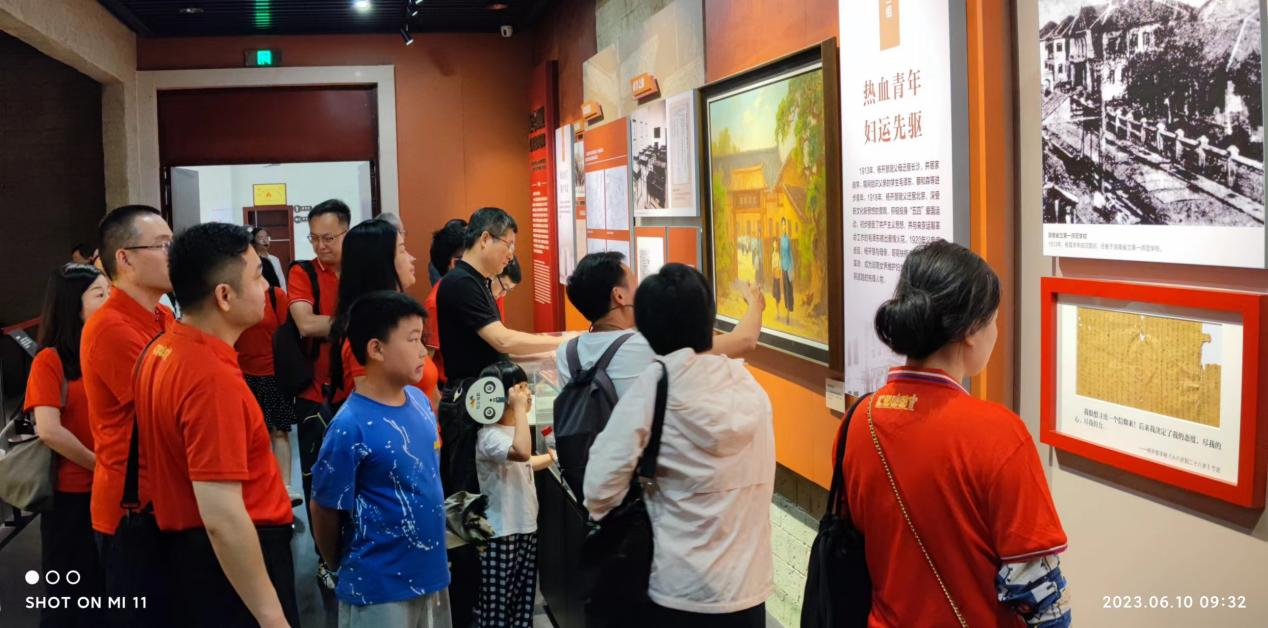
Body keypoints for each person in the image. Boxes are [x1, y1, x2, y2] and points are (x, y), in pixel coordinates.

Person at [846, 240, 1070, 627]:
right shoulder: (997, 433)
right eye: (994, 319)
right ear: (970, 331)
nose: (996, 332)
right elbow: (1040, 593)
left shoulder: (858, 421)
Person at [585, 263, 775, 626]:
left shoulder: (655, 385)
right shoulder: (750, 387)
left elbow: (598, 489)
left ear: (646, 328)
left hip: (678, 591)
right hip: (747, 591)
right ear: (709, 317)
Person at [134, 222, 298, 628]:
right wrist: (271, 616)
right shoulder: (210, 377)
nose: (266, 287)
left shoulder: (164, 347)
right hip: (228, 563)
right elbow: (223, 517)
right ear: (224, 295)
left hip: (192, 555)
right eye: (257, 276)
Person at [311, 291, 452, 627]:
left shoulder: (419, 401)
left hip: (431, 573)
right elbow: (324, 507)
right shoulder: (349, 426)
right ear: (376, 349)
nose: (423, 351)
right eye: (413, 340)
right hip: (378, 587)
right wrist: (337, 564)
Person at [80, 205, 175, 601]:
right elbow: (173, 407)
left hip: (166, 502)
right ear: (125, 258)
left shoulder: (163, 315)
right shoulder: (111, 327)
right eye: (162, 245)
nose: (173, 253)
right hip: (134, 510)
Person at [557, 251, 763, 397]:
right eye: (635, 284)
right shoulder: (644, 347)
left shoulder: (566, 353)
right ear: (619, 296)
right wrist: (755, 302)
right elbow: (744, 340)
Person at [27, 263, 110, 628]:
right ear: (72, 305)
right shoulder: (51, 360)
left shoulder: (104, 351)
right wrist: (101, 465)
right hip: (71, 497)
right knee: (69, 595)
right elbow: (49, 430)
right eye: (99, 294)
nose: (110, 301)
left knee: (108, 591)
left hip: (111, 494)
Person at [436, 207, 564, 386]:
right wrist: (561, 341)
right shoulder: (462, 283)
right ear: (485, 239)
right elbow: (503, 341)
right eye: (508, 244)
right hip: (473, 396)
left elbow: (495, 352)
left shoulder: (479, 281)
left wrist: (544, 357)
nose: (511, 255)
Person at [474, 360, 554, 628]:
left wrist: (551, 457)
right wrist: (520, 409)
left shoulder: (512, 431)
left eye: (526, 387)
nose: (527, 393)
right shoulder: (489, 436)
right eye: (520, 388)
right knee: (498, 606)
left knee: (523, 602)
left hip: (525, 525)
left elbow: (526, 461)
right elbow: (521, 453)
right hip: (500, 531)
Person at [329, 218, 439, 408]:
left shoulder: (400, 321)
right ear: (381, 263)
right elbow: (374, 411)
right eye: (402, 250)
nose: (412, 258)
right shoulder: (365, 336)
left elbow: (431, 394)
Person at [287, 199, 348, 518]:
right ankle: (324, 547)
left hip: (357, 391)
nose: (320, 245)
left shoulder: (360, 270)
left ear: (346, 232)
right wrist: (357, 323)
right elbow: (306, 324)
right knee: (318, 479)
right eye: (314, 238)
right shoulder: (303, 272)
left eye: (328, 238)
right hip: (314, 393)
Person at [234, 265, 300, 506]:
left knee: (279, 431)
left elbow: (288, 333)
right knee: (250, 435)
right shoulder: (232, 297)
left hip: (274, 374)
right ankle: (258, 490)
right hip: (242, 374)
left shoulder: (275, 296)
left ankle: (285, 488)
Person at [423, 218, 467, 384]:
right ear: (453, 264)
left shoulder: (473, 291)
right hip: (448, 385)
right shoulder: (435, 303)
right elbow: (427, 359)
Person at [779, 218, 793, 324]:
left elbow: (790, 253)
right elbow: (781, 254)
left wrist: (791, 267)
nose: (784, 227)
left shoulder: (788, 239)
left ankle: (788, 314)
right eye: (782, 225)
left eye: (785, 225)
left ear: (786, 226)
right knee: (785, 289)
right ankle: (786, 311)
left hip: (788, 267)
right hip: (783, 267)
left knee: (789, 290)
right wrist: (780, 265)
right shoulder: (780, 239)